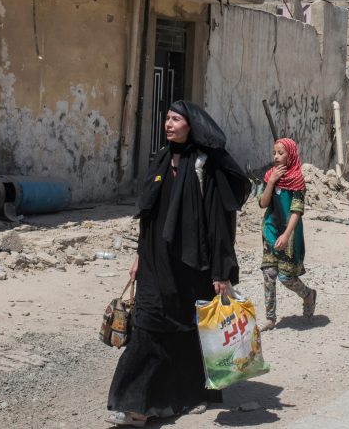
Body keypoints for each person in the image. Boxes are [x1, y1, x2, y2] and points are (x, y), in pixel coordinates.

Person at [107, 101, 250, 427]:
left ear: (192, 125)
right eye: (167, 119)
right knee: (147, 325)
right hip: (156, 262)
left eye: (175, 119)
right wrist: (139, 256)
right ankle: (135, 403)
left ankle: (184, 396)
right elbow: (150, 215)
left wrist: (220, 272)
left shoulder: (203, 164)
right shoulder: (160, 157)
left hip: (192, 264)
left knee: (187, 332)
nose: (168, 124)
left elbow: (218, 222)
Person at [258, 137, 317, 330]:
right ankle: (270, 318)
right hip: (270, 228)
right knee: (269, 272)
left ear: (290, 154)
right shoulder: (270, 176)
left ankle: (308, 295)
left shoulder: (297, 179)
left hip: (289, 232)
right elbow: (263, 203)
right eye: (274, 152)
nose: (276, 156)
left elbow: (296, 211)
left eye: (280, 153)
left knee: (285, 277)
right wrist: (272, 181)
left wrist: (286, 235)